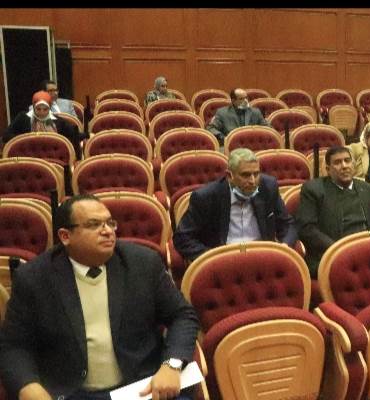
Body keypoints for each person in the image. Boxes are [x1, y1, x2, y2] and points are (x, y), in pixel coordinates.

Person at [0, 194, 199, 400]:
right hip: (70, 393)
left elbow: (182, 315)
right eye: (94, 225)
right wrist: (28, 386)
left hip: (141, 387)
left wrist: (171, 365)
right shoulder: (34, 278)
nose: (107, 231)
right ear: (65, 236)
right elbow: (14, 345)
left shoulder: (143, 263)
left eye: (110, 223)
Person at [173, 148, 297, 262]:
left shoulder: (268, 187)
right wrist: (210, 257)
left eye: (256, 174)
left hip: (262, 257)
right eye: (245, 175)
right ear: (229, 176)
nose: (253, 181)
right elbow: (182, 238)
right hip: (223, 261)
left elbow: (287, 224)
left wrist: (285, 245)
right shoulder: (206, 197)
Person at [295, 146, 370, 277]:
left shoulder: (368, 189)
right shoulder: (314, 190)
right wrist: (339, 249)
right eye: (337, 162)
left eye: (347, 161)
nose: (344, 166)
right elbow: (307, 228)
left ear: (353, 165)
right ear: (328, 170)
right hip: (334, 254)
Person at [3, 90, 84, 156]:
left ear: (49, 108)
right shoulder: (23, 118)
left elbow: (74, 135)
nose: (41, 112)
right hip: (28, 155)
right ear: (34, 107)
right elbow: (6, 136)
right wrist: (27, 139)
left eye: (45, 109)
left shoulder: (58, 121)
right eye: (38, 109)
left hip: (53, 155)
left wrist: (87, 135)